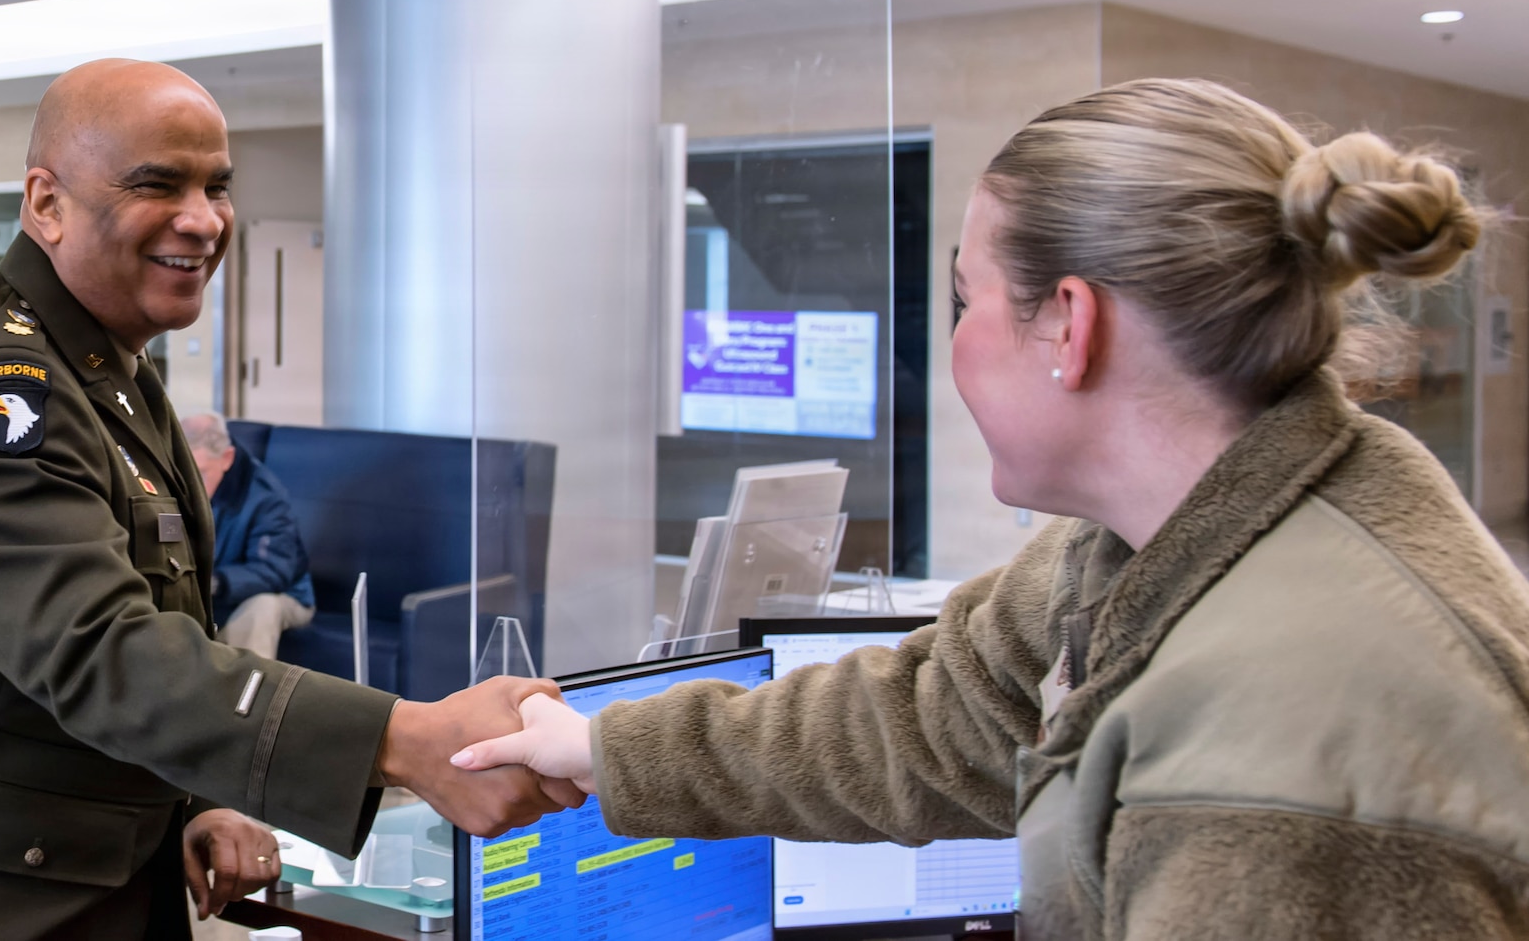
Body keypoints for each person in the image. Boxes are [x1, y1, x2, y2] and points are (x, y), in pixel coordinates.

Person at [458, 78, 1529, 938]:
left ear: (1069, 324)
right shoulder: (1156, 541)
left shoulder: (1280, 748)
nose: (954, 349)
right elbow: (934, 718)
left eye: (967, 301)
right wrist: (605, 750)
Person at [0, 59, 580, 941]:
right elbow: (100, 652)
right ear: (46, 204)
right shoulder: (2, 393)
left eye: (217, 186)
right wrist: (404, 737)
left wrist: (188, 798)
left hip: (71, 857)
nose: (203, 219)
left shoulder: (111, 366)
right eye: (158, 184)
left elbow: (139, 626)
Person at [179, 412, 316, 659]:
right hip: (210, 596)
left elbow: (275, 572)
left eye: (200, 474)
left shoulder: (266, 498)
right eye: (182, 474)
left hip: (281, 594)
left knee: (262, 607)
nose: (190, 487)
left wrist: (216, 582)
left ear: (226, 458)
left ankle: (249, 695)